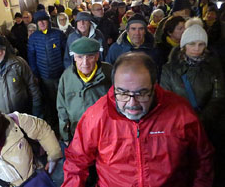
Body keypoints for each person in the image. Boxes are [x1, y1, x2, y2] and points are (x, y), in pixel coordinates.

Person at [62, 52, 214, 187]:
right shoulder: (97, 116)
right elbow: (76, 162)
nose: (131, 104)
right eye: (122, 93)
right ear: (114, 86)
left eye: (141, 94)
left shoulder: (180, 113)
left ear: (154, 87)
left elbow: (202, 159)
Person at [160, 18, 225, 186]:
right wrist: (186, 120)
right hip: (179, 127)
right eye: (192, 44)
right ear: (183, 46)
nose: (196, 49)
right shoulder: (170, 69)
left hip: (209, 126)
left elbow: (218, 97)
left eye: (201, 44)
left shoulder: (213, 66)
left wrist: (202, 119)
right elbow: (166, 97)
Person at [0, 32, 42, 116]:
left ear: (4, 50)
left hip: (23, 113)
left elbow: (32, 85)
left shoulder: (18, 63)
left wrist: (37, 107)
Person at [57, 37, 112, 143]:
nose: (85, 62)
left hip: (105, 134)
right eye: (80, 57)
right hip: (78, 134)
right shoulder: (66, 77)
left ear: (97, 56)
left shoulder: (109, 73)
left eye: (90, 56)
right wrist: (66, 137)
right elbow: (62, 108)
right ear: (74, 58)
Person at [27, 10, 66, 129]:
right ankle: (54, 123)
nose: (42, 23)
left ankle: (64, 121)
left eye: (44, 20)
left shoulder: (58, 34)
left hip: (60, 74)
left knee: (63, 99)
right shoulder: (33, 38)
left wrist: (66, 71)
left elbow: (65, 54)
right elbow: (31, 57)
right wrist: (35, 75)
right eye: (39, 21)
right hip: (44, 76)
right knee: (49, 101)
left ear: (48, 21)